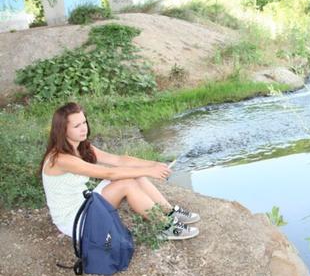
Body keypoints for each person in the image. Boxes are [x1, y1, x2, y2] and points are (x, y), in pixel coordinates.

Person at [40, 102, 199, 240]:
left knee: (133, 174)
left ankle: (169, 212)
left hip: (84, 203)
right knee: (127, 183)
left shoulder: (80, 147)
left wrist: (153, 164)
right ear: (63, 130)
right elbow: (110, 173)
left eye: (84, 122)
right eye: (76, 126)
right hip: (75, 220)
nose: (84, 129)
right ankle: (165, 227)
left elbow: (119, 160)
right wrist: (149, 171)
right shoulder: (61, 159)